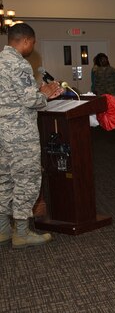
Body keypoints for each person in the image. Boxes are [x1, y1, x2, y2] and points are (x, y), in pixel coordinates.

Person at [0, 23, 62, 247]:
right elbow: (30, 100)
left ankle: (3, 230)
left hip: (1, 133)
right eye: (33, 43)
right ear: (26, 40)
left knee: (4, 179)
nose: (32, 47)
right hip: (20, 134)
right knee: (26, 179)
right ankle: (22, 233)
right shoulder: (20, 64)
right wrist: (45, 94)